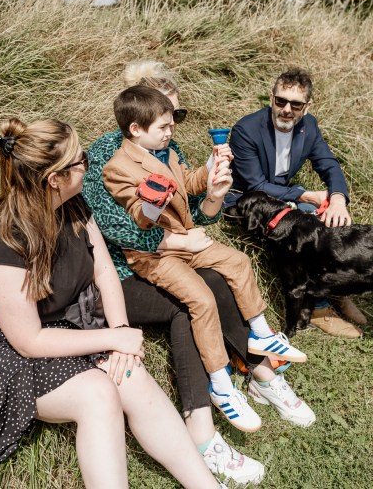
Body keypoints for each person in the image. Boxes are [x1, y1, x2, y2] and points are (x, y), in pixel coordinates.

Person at [83, 60, 315, 487]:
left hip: (175, 247)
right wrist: (177, 238)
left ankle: (257, 367)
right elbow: (120, 231)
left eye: (179, 119)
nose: (175, 129)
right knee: (190, 303)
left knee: (225, 272)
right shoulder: (105, 158)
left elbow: (194, 214)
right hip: (121, 270)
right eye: (168, 119)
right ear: (137, 121)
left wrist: (213, 193)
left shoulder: (166, 149)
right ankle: (205, 424)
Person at [0, 117, 229, 489]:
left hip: (63, 324)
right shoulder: (3, 243)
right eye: (81, 162)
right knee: (98, 394)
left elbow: (105, 273)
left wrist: (121, 330)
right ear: (54, 179)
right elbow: (28, 341)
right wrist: (112, 339)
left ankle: (204, 484)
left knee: (131, 376)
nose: (88, 164)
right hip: (6, 346)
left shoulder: (74, 205)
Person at [103, 84, 308, 395]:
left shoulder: (167, 153)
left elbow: (188, 182)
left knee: (237, 261)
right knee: (201, 299)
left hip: (187, 240)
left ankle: (262, 333)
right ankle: (220, 381)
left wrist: (211, 169)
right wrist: (151, 202)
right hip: (156, 256)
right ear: (135, 129)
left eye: (172, 124)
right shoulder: (117, 168)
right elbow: (139, 216)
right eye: (163, 127)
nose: (170, 132)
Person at [226, 68, 367, 339]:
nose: (286, 109)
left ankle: (336, 288)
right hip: (248, 206)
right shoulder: (246, 130)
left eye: (296, 104)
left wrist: (337, 198)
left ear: (307, 106)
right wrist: (303, 195)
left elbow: (327, 163)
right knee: (306, 226)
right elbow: (255, 185)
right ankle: (318, 308)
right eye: (281, 101)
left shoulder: (308, 125)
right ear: (271, 99)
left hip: (283, 199)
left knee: (332, 220)